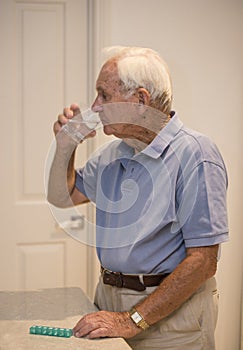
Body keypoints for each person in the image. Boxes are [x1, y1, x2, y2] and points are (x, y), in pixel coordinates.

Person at [47, 46, 229, 350]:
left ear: (141, 100)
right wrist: (65, 147)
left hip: (172, 318)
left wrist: (131, 320)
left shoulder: (196, 155)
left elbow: (203, 262)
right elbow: (62, 197)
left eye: (104, 95)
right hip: (108, 300)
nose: (95, 106)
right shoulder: (113, 154)